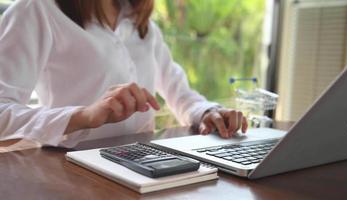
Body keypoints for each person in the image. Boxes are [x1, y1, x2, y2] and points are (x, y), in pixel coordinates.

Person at [0, 0, 248, 148]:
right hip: (72, 170)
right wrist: (83, 115)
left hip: (145, 163)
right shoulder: (36, 10)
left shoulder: (141, 22)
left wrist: (206, 112)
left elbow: (180, 92)